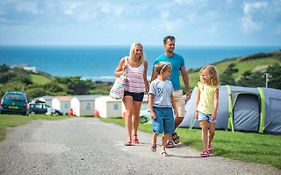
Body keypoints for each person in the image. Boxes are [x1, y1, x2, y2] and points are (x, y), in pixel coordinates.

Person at [151, 35, 190, 147]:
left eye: (173, 44)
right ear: (165, 45)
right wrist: (152, 95)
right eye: (170, 44)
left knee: (181, 115)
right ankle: (168, 139)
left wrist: (187, 90)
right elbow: (154, 78)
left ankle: (171, 132)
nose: (172, 46)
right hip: (163, 93)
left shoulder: (180, 58)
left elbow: (184, 75)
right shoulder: (158, 60)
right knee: (166, 117)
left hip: (177, 91)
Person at [115, 42, 149, 146]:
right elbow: (116, 73)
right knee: (129, 112)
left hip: (139, 90)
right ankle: (129, 138)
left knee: (137, 114)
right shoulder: (125, 60)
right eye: (137, 50)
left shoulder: (144, 63)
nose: (139, 52)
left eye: (140, 50)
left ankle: (135, 135)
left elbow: (144, 77)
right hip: (127, 89)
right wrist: (123, 71)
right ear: (132, 51)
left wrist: (148, 90)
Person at [149, 62, 178, 156]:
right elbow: (150, 98)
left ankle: (163, 148)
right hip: (157, 109)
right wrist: (151, 111)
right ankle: (154, 139)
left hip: (168, 110)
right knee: (158, 129)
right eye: (169, 71)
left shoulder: (169, 83)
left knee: (168, 131)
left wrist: (175, 109)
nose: (170, 73)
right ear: (162, 71)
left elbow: (171, 97)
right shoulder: (154, 83)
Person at [195, 65, 219, 157]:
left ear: (211, 75)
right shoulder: (200, 85)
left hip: (211, 111)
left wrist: (215, 112)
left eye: (205, 75)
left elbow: (216, 100)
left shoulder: (215, 87)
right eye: (202, 75)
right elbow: (198, 99)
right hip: (202, 110)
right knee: (204, 129)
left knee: (212, 131)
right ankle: (205, 149)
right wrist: (196, 111)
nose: (203, 77)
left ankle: (209, 143)